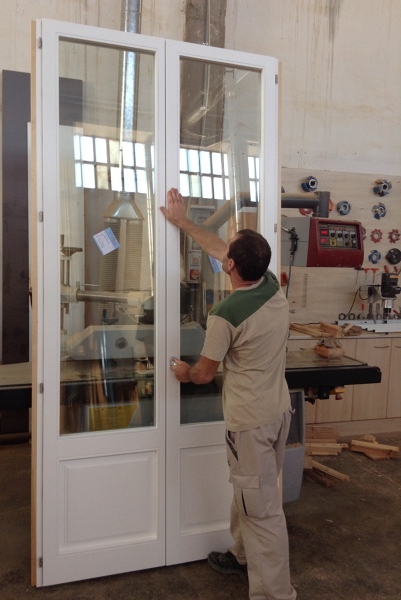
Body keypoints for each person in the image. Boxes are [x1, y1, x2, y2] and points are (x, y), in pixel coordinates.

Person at [161, 188, 297, 600]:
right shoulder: (271, 285)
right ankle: (242, 556)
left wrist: (183, 372)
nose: (224, 253)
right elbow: (220, 247)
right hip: (277, 411)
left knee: (263, 511)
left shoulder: (225, 314)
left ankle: (276, 594)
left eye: (229, 253)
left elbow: (204, 374)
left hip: (250, 423)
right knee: (252, 492)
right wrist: (182, 223)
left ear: (232, 266)